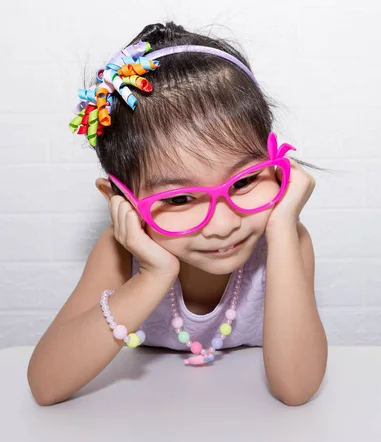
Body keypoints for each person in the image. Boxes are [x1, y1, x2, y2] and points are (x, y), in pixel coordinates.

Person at [27, 21, 327, 407]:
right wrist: (154, 275)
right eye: (181, 199)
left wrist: (285, 228)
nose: (223, 225)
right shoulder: (120, 254)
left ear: (278, 165)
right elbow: (45, 384)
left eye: (245, 181)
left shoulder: (285, 241)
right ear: (119, 200)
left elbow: (296, 389)